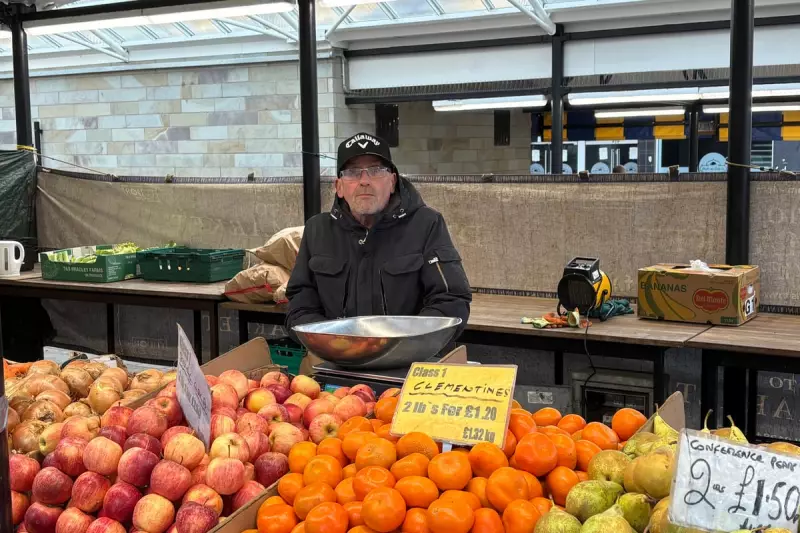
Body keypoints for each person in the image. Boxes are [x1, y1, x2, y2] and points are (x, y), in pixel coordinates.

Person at [286, 132, 472, 373]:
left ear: (392, 181)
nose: (364, 181)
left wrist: (404, 345)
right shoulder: (317, 230)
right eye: (353, 172)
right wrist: (334, 343)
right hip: (336, 367)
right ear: (339, 186)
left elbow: (451, 299)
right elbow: (300, 302)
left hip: (412, 368)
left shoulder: (426, 224)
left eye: (375, 170)